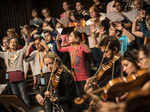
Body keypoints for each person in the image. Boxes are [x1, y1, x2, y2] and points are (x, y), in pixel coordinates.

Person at [56, 31, 91, 98]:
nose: (69, 37)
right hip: (74, 75)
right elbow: (60, 49)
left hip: (83, 75)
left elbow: (89, 50)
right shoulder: (70, 47)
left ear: (76, 38)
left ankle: (89, 107)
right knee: (79, 93)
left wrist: (80, 42)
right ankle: (82, 107)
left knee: (86, 93)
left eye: (71, 36)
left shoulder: (81, 46)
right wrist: (57, 41)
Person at [0, 34, 30, 107]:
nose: (12, 43)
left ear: (17, 44)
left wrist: (26, 38)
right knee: (16, 96)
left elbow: (26, 46)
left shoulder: (20, 52)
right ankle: (19, 109)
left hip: (19, 77)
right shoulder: (6, 54)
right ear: (9, 45)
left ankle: (27, 108)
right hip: (11, 78)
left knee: (24, 95)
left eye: (14, 42)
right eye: (11, 42)